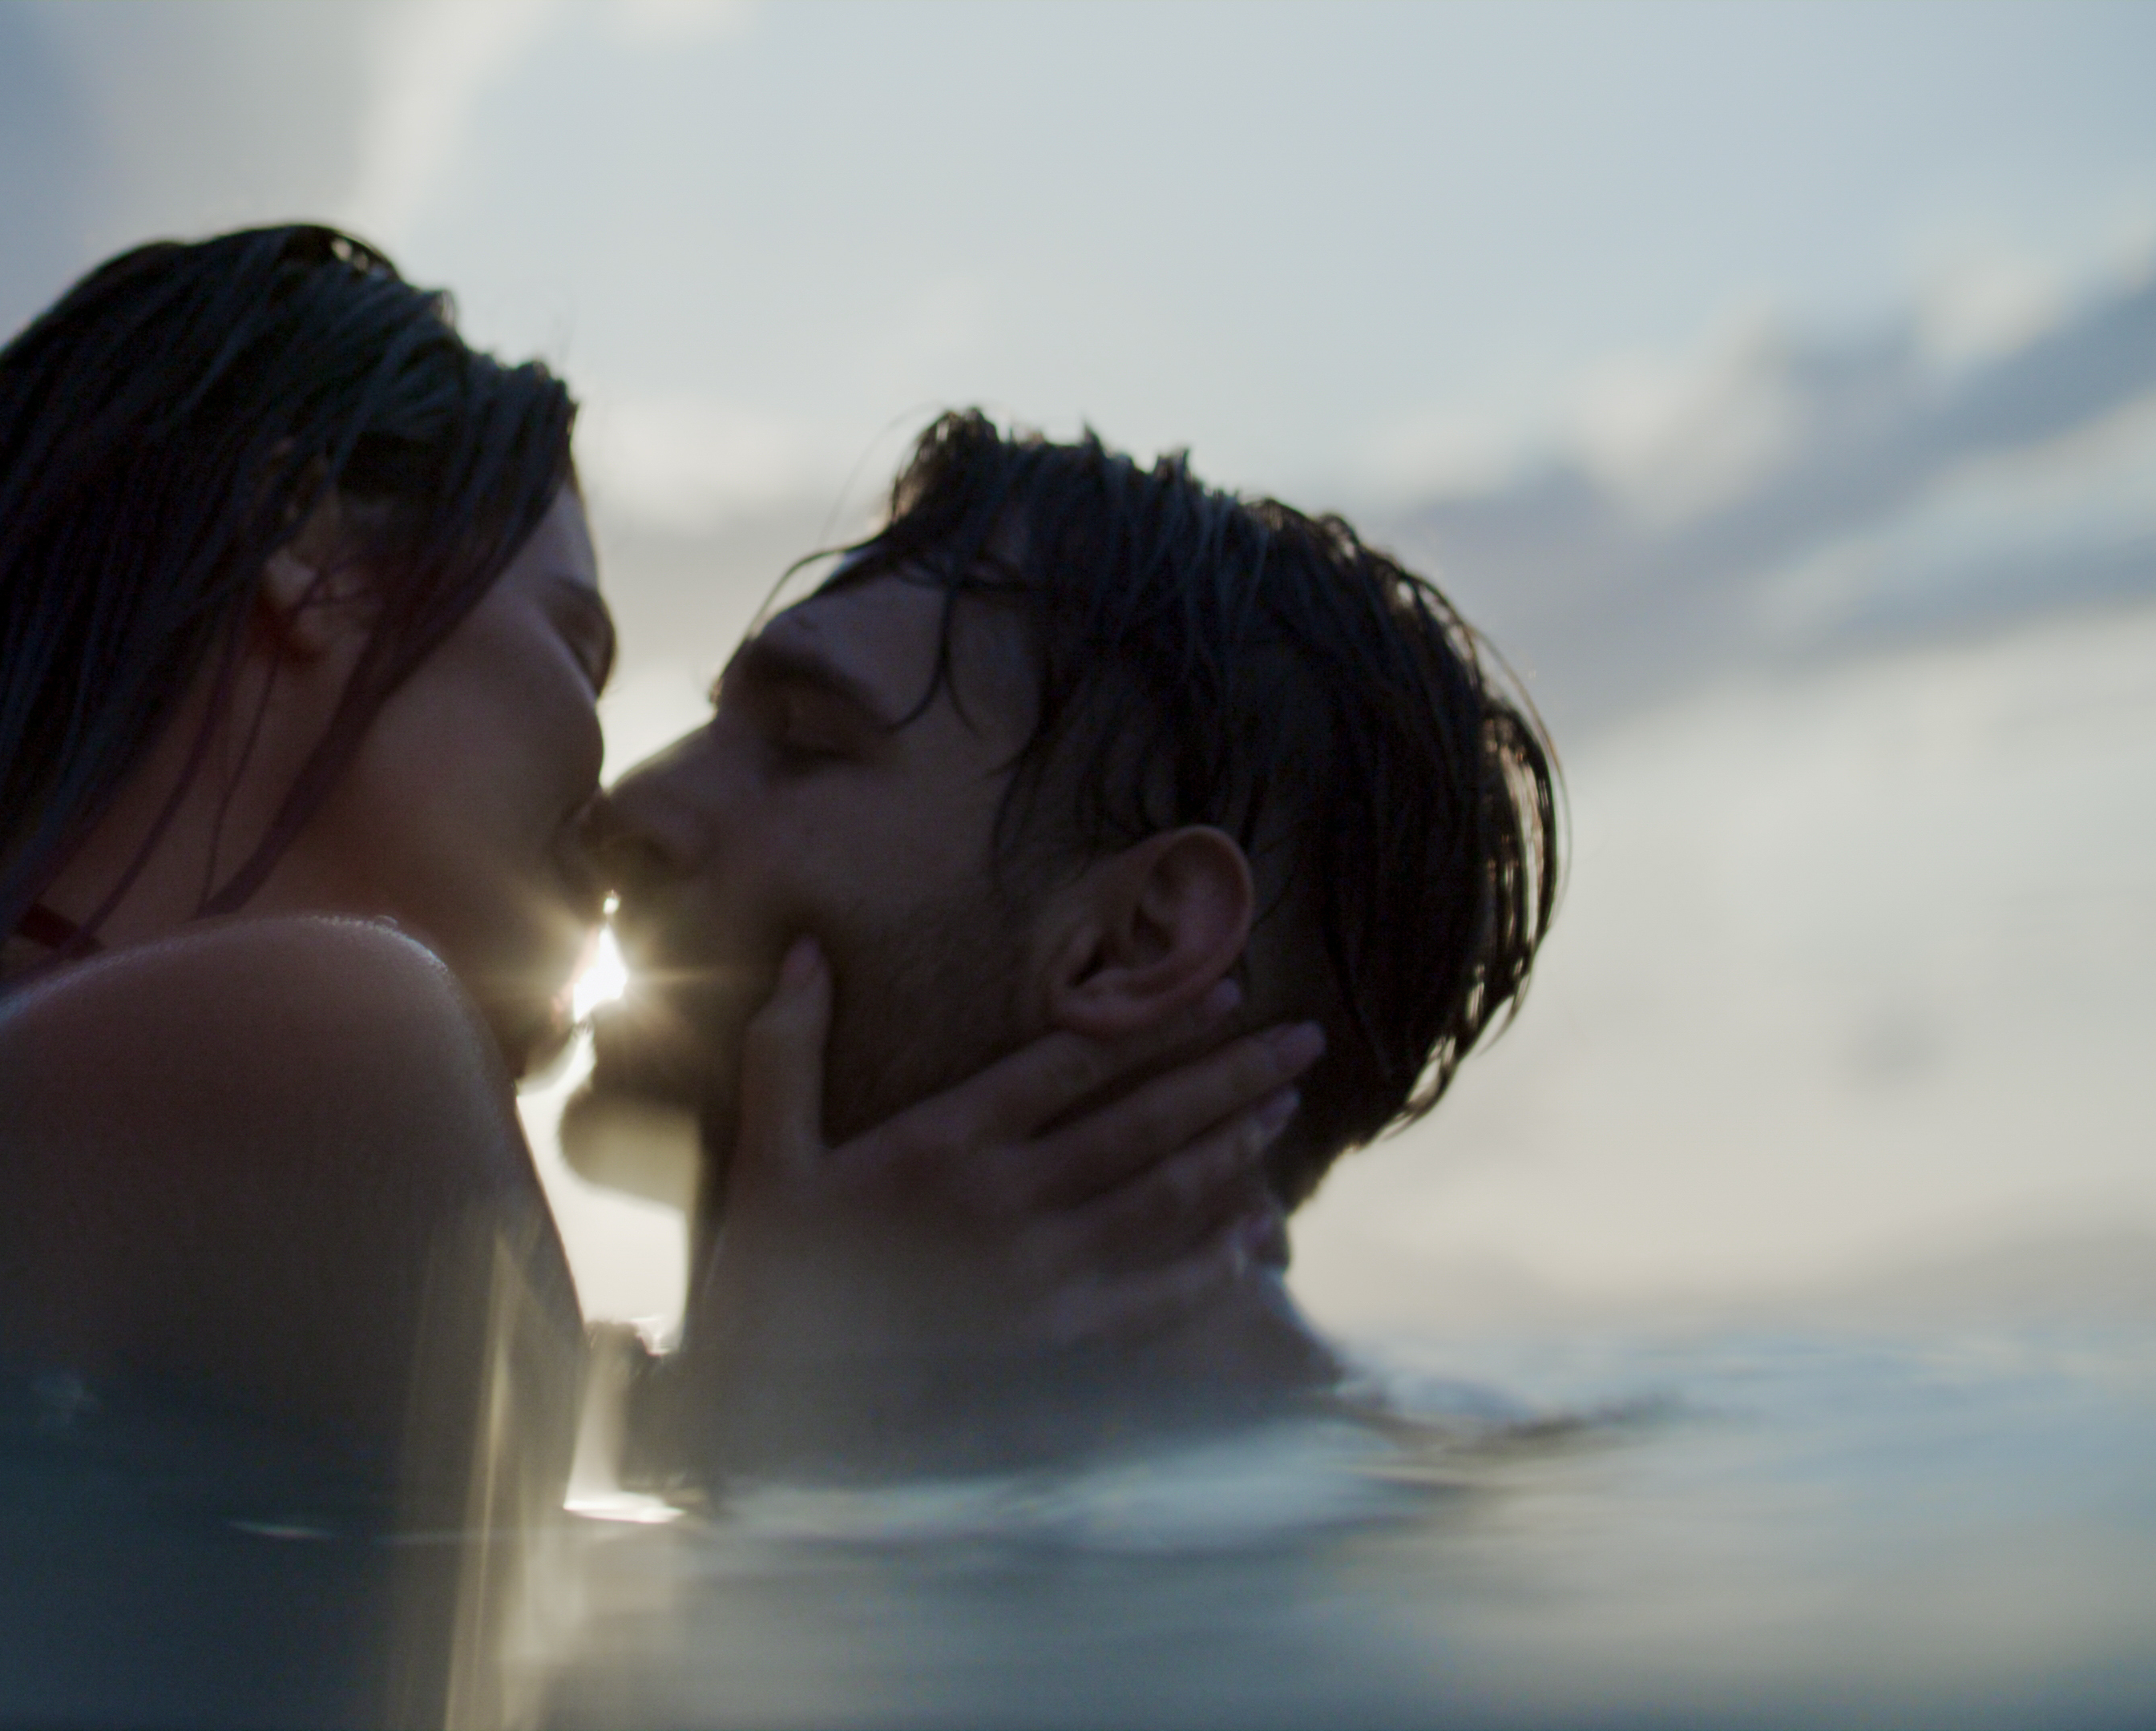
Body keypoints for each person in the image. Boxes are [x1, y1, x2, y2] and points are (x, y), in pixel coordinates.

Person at [0, 232, 1312, 1531]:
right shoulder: (326, 1041)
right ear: (312, 559)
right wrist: (798, 1403)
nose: (616, 790)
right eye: (577, 653)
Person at [585, 411, 1563, 1481]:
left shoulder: (1272, 1577)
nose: (628, 804)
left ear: (1135, 943)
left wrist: (768, 1431)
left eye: (806, 742)